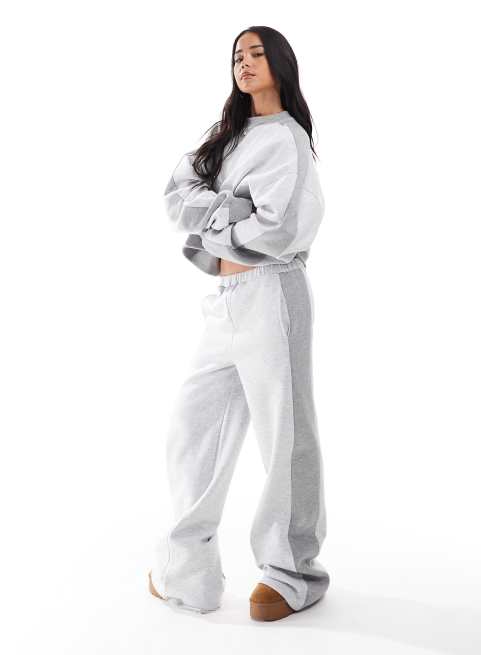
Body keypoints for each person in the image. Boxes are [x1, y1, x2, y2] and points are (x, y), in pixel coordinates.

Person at [149, 25, 330, 621]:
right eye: (236, 56)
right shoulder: (226, 137)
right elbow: (178, 195)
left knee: (285, 434)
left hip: (274, 293)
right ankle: (189, 572)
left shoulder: (288, 139)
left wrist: (215, 220)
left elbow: (281, 228)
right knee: (193, 427)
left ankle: (292, 573)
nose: (243, 63)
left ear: (280, 63)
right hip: (224, 299)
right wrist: (234, 210)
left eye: (255, 53)